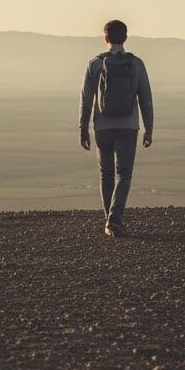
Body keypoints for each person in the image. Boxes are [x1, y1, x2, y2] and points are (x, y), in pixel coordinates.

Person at [78, 20, 155, 238]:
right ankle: (114, 220)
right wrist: (149, 128)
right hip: (128, 128)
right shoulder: (136, 64)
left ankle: (109, 222)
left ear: (106, 38)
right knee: (124, 174)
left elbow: (86, 98)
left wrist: (83, 128)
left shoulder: (95, 64)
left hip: (102, 128)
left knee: (106, 174)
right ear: (126, 37)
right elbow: (145, 98)